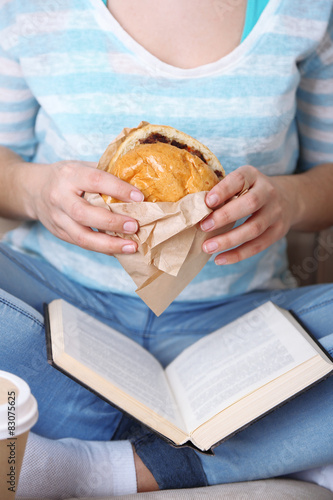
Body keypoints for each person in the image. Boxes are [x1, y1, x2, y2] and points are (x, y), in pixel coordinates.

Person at [0, 0, 333, 497]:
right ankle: (259, 442)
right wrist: (35, 190)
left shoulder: (307, 11)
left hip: (235, 327)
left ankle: (95, 466)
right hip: (59, 307)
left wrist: (290, 200)